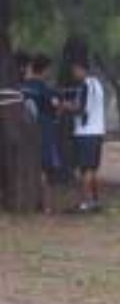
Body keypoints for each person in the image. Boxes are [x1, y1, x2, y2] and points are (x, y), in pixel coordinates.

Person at [19, 54, 62, 214]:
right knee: (44, 170)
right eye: (49, 69)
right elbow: (56, 110)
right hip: (43, 133)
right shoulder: (46, 90)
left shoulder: (21, 87)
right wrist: (60, 108)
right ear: (44, 70)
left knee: (28, 168)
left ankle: (27, 202)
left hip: (23, 134)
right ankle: (46, 206)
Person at [63, 60, 105, 212]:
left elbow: (81, 109)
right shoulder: (98, 85)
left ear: (83, 69)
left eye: (75, 69)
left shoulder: (86, 86)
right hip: (97, 131)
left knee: (85, 169)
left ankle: (85, 203)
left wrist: (64, 105)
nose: (74, 73)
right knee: (92, 168)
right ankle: (94, 201)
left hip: (86, 132)